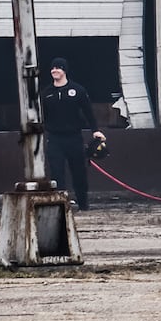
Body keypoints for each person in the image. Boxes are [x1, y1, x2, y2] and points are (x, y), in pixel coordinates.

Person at [38, 57, 104, 210]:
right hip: (54, 139)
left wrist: (95, 130)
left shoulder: (78, 90)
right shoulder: (46, 93)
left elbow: (88, 112)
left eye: (58, 68)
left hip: (74, 137)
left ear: (64, 70)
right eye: (53, 68)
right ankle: (61, 204)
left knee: (79, 172)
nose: (54, 70)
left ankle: (83, 204)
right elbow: (41, 116)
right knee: (57, 173)